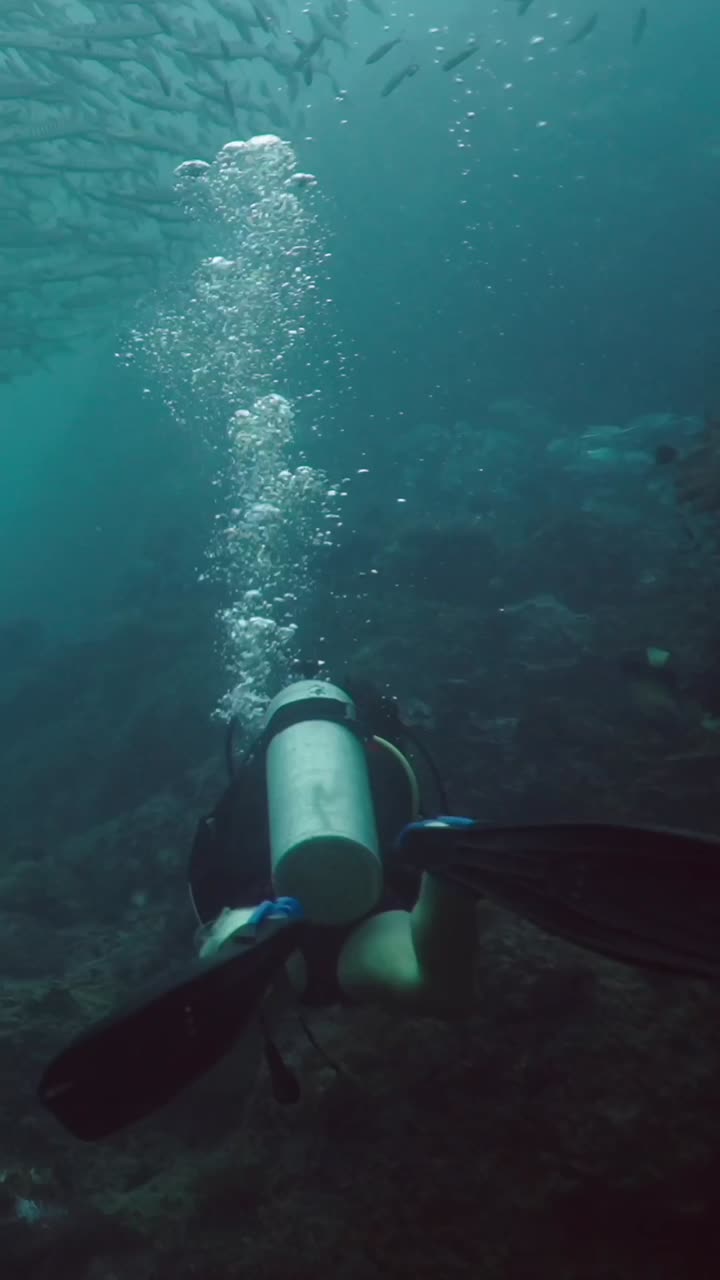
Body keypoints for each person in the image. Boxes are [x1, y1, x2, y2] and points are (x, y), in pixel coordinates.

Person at [38, 674, 720, 1142]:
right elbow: (412, 809)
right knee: (439, 988)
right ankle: (453, 879)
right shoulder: (377, 756)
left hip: (273, 919)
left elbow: (206, 875)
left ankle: (244, 941)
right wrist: (423, 868)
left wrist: (230, 922)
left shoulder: (249, 785)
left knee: (244, 967)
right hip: (367, 912)